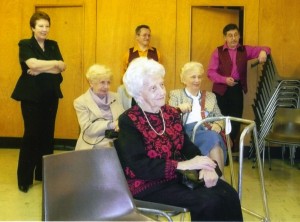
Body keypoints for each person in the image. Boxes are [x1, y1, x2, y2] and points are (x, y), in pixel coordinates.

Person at [115, 57, 243, 221]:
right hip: (148, 184)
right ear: (139, 95)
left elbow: (188, 147)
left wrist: (206, 167)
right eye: (153, 88)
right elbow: (140, 165)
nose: (162, 92)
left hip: (179, 176)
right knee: (208, 202)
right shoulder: (129, 120)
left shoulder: (170, 113)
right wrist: (183, 165)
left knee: (228, 194)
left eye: (161, 85)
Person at [11, 11, 66, 193]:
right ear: (33, 27)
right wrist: (52, 65)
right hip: (31, 97)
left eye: (47, 26)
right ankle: (24, 178)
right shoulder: (25, 44)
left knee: (47, 135)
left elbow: (62, 67)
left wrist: (42, 67)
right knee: (32, 135)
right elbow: (32, 65)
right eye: (41, 26)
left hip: (50, 95)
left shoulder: (53, 44)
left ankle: (44, 175)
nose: (44, 29)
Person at [207, 23, 271, 153]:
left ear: (239, 36)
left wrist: (264, 52)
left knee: (235, 120)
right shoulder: (218, 51)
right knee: (220, 120)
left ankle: (229, 147)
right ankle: (220, 150)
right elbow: (210, 72)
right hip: (220, 91)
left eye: (236, 35)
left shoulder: (244, 50)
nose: (233, 38)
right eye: (230, 35)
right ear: (225, 37)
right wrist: (224, 80)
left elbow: (266, 48)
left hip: (236, 89)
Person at [169, 62, 227, 174]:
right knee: (213, 138)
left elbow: (220, 117)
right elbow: (169, 117)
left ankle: (213, 179)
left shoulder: (210, 96)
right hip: (188, 133)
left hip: (208, 130)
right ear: (184, 79)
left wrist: (218, 125)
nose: (197, 80)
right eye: (193, 77)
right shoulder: (176, 95)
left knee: (214, 140)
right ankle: (220, 180)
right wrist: (178, 109)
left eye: (199, 77)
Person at [74, 64, 124, 150]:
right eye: (102, 82)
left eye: (108, 82)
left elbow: (123, 118)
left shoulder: (117, 97)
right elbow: (87, 129)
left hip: (117, 141)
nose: (106, 86)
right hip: (93, 145)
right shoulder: (80, 102)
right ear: (91, 83)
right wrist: (111, 125)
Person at [118, 24, 161, 110]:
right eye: (144, 35)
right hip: (134, 93)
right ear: (137, 37)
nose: (147, 37)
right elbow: (124, 73)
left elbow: (159, 73)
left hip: (151, 92)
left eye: (149, 35)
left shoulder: (156, 53)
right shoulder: (129, 53)